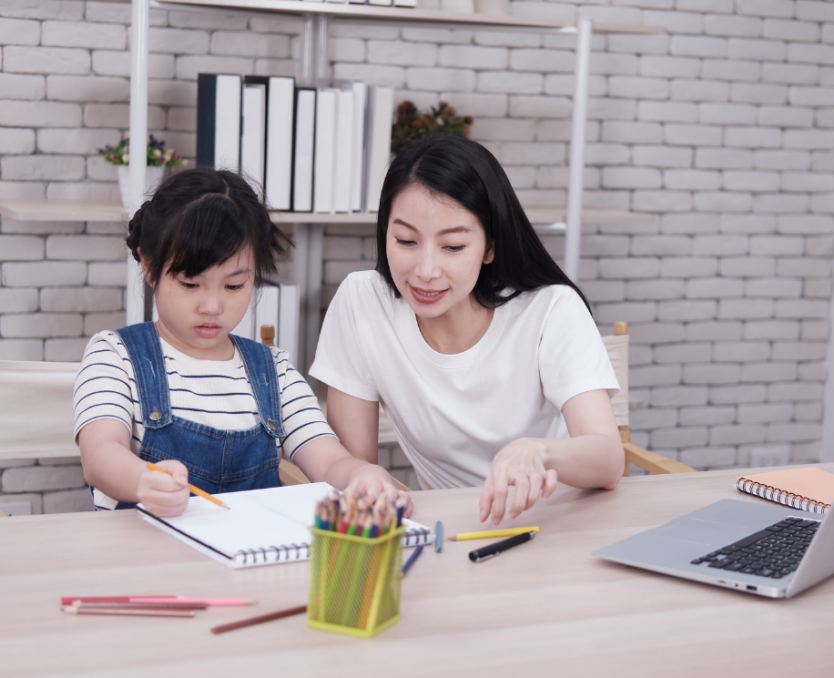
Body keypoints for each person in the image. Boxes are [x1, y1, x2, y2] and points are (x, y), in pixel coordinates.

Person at [310, 135, 625, 526]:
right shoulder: (363, 303)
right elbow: (353, 470)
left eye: (453, 247)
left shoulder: (550, 309)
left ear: (489, 246)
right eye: (406, 241)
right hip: (459, 532)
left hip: (563, 524)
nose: (425, 270)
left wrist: (537, 452)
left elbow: (609, 460)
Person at [74, 168, 411, 518]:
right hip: (148, 561)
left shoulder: (273, 372)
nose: (212, 306)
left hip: (249, 561)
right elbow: (99, 454)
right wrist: (141, 480)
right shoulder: (115, 356)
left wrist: (363, 475)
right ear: (148, 264)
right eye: (190, 284)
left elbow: (327, 460)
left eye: (234, 286)